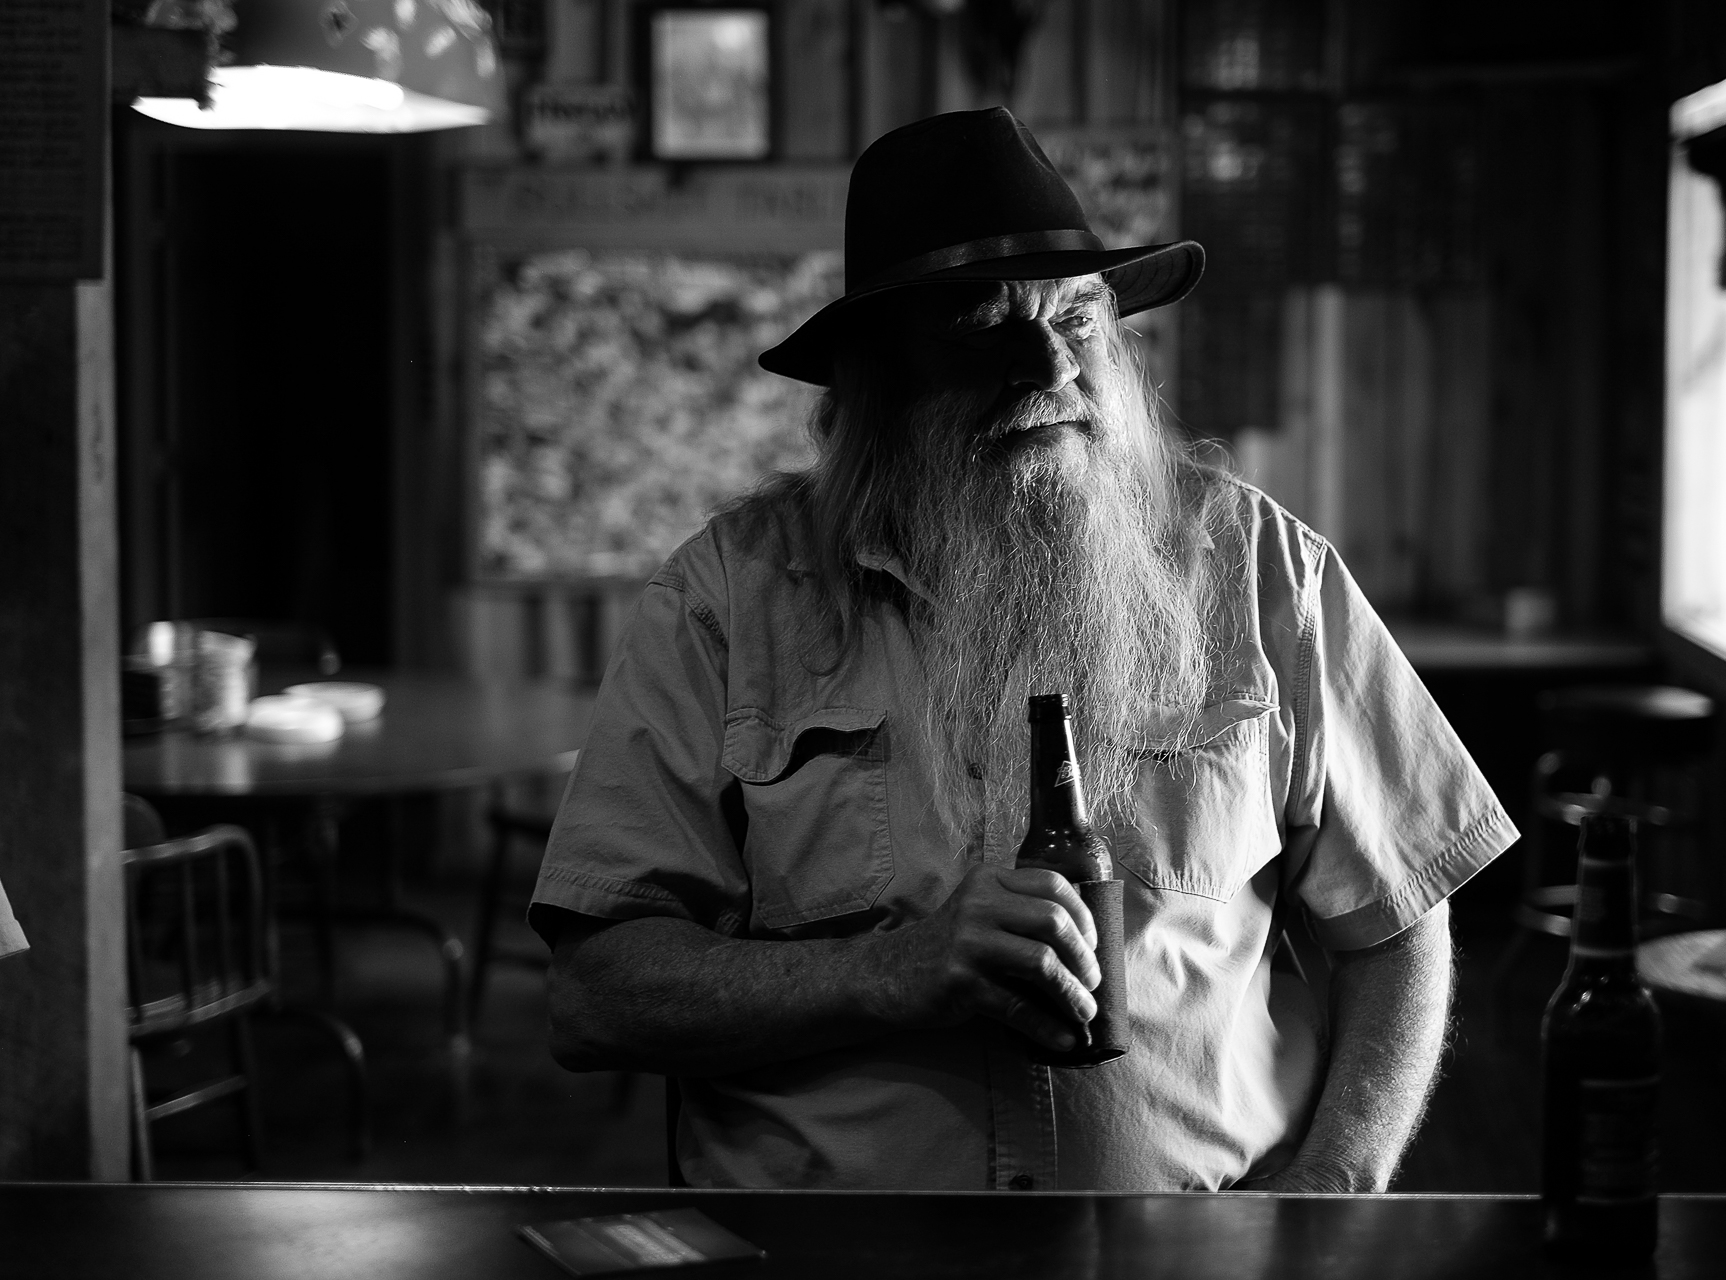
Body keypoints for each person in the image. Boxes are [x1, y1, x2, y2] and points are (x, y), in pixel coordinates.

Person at [531, 107, 1518, 1192]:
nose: (1047, 362)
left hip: (1197, 1250)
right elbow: (596, 995)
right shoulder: (727, 596)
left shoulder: (1260, 567)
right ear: (874, 377)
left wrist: (1333, 1191)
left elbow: (1400, 919)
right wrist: (887, 971)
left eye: (1078, 316)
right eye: (978, 325)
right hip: (828, 1255)